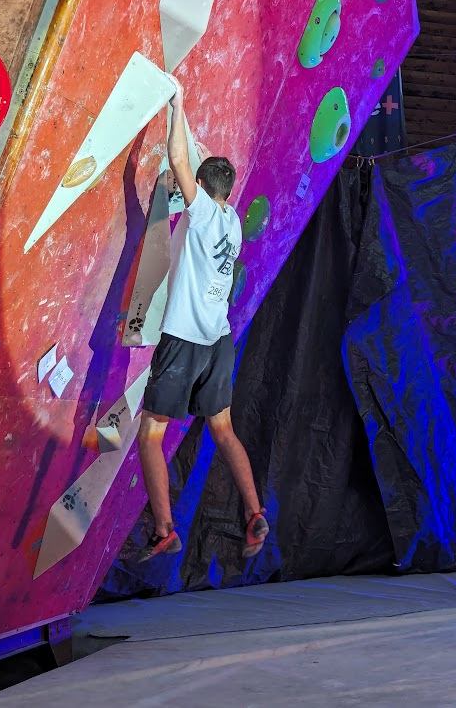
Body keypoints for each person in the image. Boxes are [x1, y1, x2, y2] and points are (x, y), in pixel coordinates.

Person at [137, 76, 269, 562]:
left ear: (200, 188)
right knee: (223, 430)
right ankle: (254, 514)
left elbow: (178, 161)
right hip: (219, 342)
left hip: (185, 340)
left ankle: (163, 531)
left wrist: (178, 103)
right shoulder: (230, 220)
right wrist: (199, 160)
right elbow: (202, 170)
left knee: (150, 434)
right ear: (227, 192)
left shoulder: (205, 217)